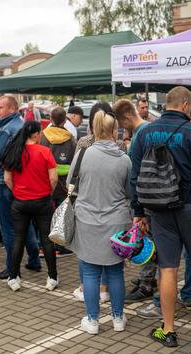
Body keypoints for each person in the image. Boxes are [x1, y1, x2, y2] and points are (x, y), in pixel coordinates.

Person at [130, 86, 191, 347]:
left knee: (167, 268)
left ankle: (168, 330)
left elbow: (135, 177)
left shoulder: (145, 132)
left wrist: (139, 212)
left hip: (159, 211)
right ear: (186, 105)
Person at [69, 111, 131, 335]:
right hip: (116, 222)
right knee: (115, 272)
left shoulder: (83, 154)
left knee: (90, 272)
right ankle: (117, 318)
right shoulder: (124, 159)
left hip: (86, 219)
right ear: (115, 131)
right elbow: (129, 191)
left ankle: (93, 320)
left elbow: (70, 182)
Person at [0, 95, 41, 280]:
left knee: (7, 226)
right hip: (23, 181)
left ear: (12, 109)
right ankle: (34, 260)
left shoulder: (5, 130)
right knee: (26, 222)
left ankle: (11, 268)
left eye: (0, 107)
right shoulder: (23, 125)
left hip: (3, 181)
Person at [2, 121, 58, 291]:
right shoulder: (45, 152)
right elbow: (54, 178)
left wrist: (18, 192)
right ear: (35, 134)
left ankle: (13, 277)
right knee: (47, 239)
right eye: (40, 133)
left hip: (20, 202)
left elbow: (7, 179)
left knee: (18, 238)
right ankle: (52, 277)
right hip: (43, 201)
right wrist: (48, 192)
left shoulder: (13, 152)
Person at [113, 99, 157, 304]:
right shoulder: (145, 132)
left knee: (147, 240)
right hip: (145, 199)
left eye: (122, 124)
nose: (122, 129)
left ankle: (147, 283)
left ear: (128, 117)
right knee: (145, 239)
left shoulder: (143, 133)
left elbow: (139, 173)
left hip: (146, 200)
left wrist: (139, 207)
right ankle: (146, 279)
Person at [40, 107, 76, 207]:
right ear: (65, 121)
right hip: (64, 185)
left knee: (46, 216)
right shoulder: (71, 139)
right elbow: (75, 162)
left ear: (50, 119)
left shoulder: (42, 137)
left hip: (45, 183)